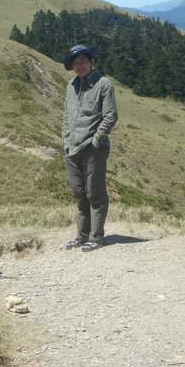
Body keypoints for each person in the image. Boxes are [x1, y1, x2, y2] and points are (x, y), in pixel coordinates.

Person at [62, 45, 118, 252]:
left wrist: (96, 141)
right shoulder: (71, 85)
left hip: (94, 148)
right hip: (72, 147)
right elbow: (67, 117)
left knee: (94, 192)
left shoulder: (103, 84)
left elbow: (110, 116)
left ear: (92, 62)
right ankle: (81, 236)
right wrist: (66, 141)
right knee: (79, 192)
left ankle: (96, 237)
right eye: (75, 63)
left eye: (83, 62)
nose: (79, 66)